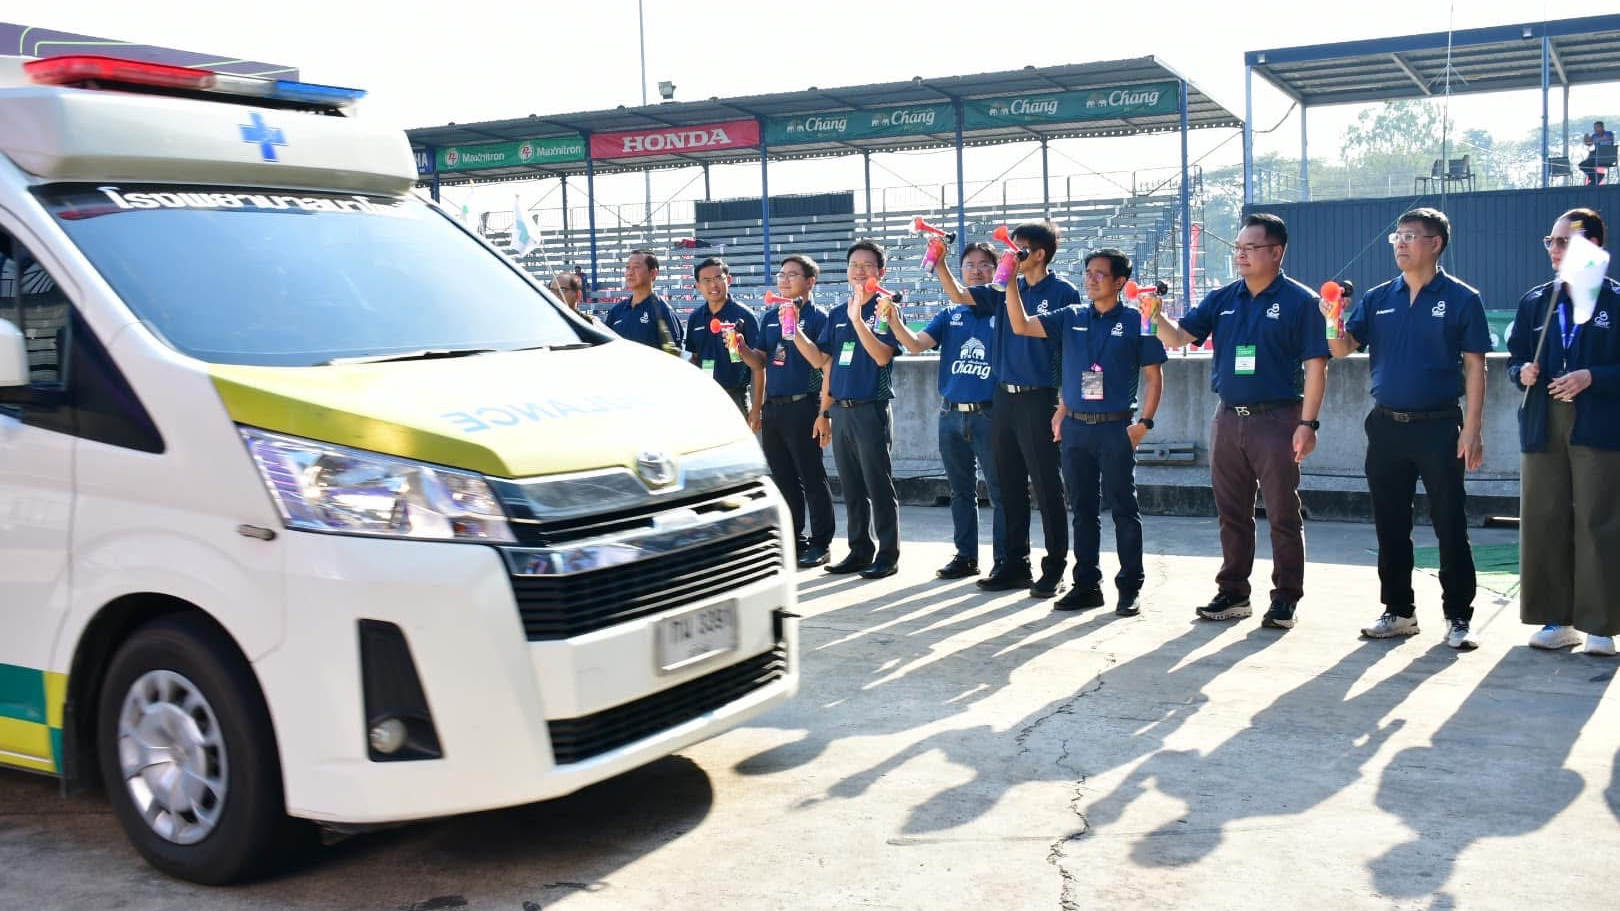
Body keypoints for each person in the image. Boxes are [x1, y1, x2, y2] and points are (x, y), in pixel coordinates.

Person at [1155, 213, 1329, 630]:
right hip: (1229, 417)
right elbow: (1179, 337)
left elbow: (1318, 365)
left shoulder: (1299, 302)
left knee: (1283, 512)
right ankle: (1233, 591)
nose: (1241, 255)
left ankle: (1285, 596)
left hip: (1279, 418)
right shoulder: (1223, 298)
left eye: (1250, 248)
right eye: (1237, 248)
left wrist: (1308, 424)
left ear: (1276, 252)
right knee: (1232, 512)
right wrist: (1155, 315)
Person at [1327, 208, 1491, 650]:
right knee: (1390, 524)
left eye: (1410, 237)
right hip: (1386, 427)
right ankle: (1398, 611)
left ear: (1435, 244)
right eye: (1396, 237)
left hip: (1440, 427)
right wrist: (1332, 317)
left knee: (1449, 523)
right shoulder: (1380, 297)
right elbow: (1342, 349)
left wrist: (1472, 428)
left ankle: (1458, 616)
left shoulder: (1461, 298)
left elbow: (1476, 368)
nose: (1400, 244)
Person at [1006, 248, 1165, 616]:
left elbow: (1155, 377)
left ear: (1120, 282)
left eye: (1100, 274)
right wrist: (1010, 281)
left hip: (1115, 428)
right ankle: (1086, 584)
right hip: (1077, 428)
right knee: (1082, 511)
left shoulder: (1137, 319)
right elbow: (1022, 325)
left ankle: (1129, 587)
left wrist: (1144, 424)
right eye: (1088, 272)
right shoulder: (1072, 316)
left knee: (1124, 510)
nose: (1090, 279)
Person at [934, 221, 1080, 598]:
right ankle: (1015, 564)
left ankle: (1055, 568)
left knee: (1047, 487)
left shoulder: (1063, 292)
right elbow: (958, 294)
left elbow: (1071, 352)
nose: (1012, 256)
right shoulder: (1001, 288)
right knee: (1009, 485)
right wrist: (940, 262)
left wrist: (1064, 404)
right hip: (1003, 397)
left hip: (1040, 397)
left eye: (1020, 250)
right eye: (1011, 248)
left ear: (1040, 254)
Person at [1507, 207, 1620, 656]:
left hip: (1598, 421)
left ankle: (1601, 623)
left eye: (1563, 242)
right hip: (1544, 421)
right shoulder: (1536, 300)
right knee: (1544, 515)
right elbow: (1514, 358)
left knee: (1598, 517)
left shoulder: (1615, 300)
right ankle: (1557, 618)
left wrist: (1593, 376)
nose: (1554, 250)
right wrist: (1523, 372)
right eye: (1550, 242)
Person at [888, 242, 1006, 580]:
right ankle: (966, 556)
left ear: (997, 270)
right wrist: (894, 321)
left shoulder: (1002, 305)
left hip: (990, 414)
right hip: (951, 414)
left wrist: (938, 263)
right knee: (960, 491)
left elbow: (957, 293)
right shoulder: (951, 314)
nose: (977, 270)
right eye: (969, 265)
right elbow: (914, 345)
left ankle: (1004, 560)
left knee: (1000, 491)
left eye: (985, 265)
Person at [794, 240, 902, 579]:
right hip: (839, 410)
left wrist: (859, 320)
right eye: (854, 264)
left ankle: (887, 554)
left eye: (867, 265)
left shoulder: (885, 308)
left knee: (877, 484)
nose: (859, 270)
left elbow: (883, 355)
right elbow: (822, 362)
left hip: (870, 408)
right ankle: (858, 550)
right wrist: (794, 331)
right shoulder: (839, 312)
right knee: (852, 486)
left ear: (880, 272)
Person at [755, 254, 836, 568]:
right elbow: (758, 362)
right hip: (773, 408)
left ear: (810, 281)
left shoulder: (819, 318)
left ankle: (821, 543)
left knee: (812, 478)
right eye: (781, 274)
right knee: (784, 480)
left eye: (792, 275)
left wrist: (823, 412)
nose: (784, 279)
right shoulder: (770, 316)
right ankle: (794, 540)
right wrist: (739, 347)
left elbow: (822, 364)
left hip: (804, 405)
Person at [684, 257, 763, 425]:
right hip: (704, 397)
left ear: (729, 280)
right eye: (706, 280)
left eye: (719, 278)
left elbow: (759, 365)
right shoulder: (695, 318)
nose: (713, 285)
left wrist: (756, 409)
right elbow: (695, 358)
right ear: (698, 285)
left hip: (735, 396)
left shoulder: (744, 316)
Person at [606, 249, 683, 354]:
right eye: (628, 267)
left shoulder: (663, 312)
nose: (629, 272)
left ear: (653, 273)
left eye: (636, 267)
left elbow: (674, 357)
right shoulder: (616, 311)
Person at [1578, 121, 1615, 187]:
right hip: (1597, 157)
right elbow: (1589, 144)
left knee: (1588, 161)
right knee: (1582, 165)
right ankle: (1596, 178)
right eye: (1594, 128)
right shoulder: (1594, 136)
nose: (1595, 129)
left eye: (1597, 127)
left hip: (1607, 157)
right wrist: (1586, 139)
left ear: (1602, 127)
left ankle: (1596, 178)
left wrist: (1594, 140)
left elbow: (1606, 138)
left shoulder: (1609, 133)